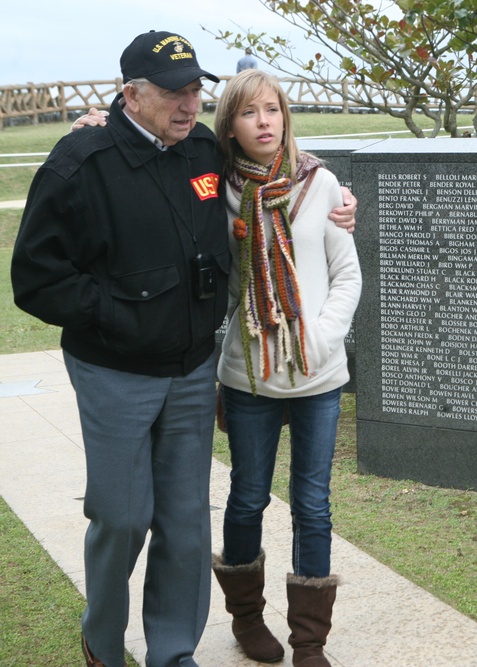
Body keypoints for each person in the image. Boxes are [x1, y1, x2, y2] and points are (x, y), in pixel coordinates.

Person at [12, 30, 226, 667]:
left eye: (194, 90)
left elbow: (270, 168)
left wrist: (326, 186)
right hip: (113, 370)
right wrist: (119, 318)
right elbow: (36, 279)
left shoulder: (204, 150)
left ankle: (172, 651)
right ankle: (103, 642)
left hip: (191, 369)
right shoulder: (80, 163)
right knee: (123, 516)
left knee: (186, 524)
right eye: (172, 94)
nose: (188, 106)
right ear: (130, 95)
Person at [211, 69, 362, 666]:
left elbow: (347, 274)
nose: (264, 122)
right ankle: (247, 621)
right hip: (249, 376)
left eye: (272, 110)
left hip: (317, 375)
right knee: (248, 498)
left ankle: (309, 640)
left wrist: (320, 340)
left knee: (313, 503)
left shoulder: (319, 183)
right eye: (250, 113)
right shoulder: (215, 191)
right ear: (230, 125)